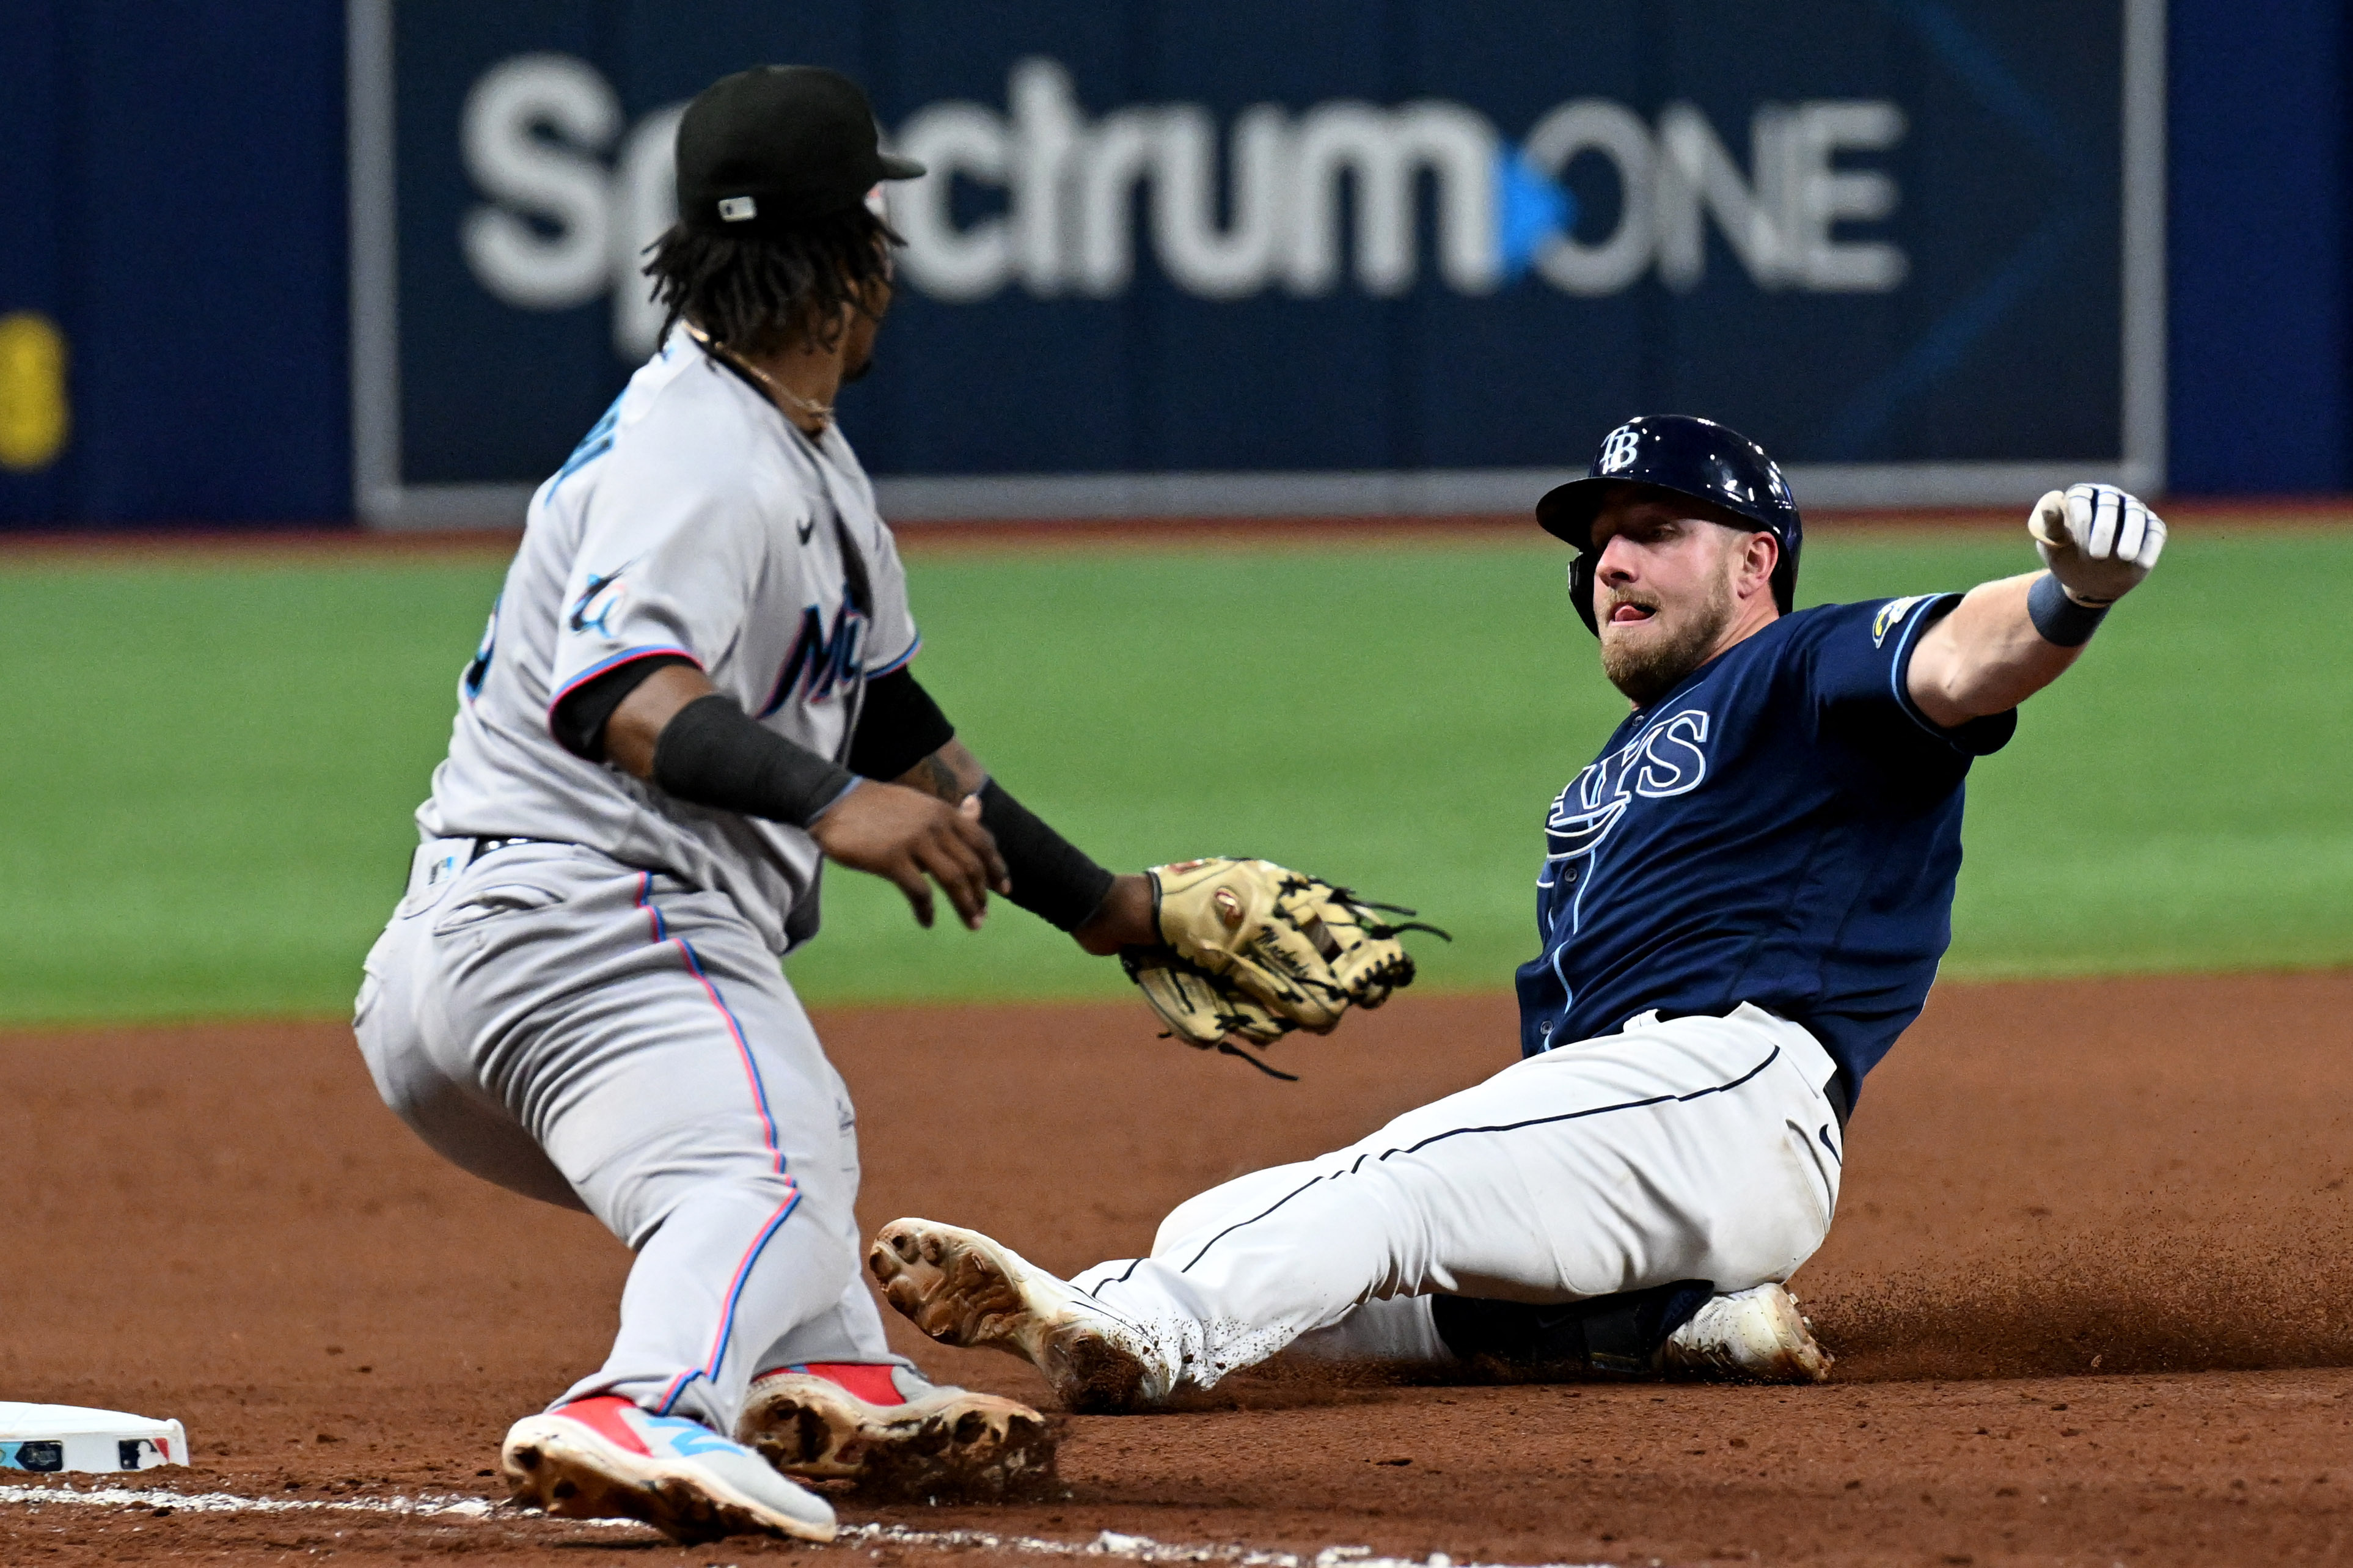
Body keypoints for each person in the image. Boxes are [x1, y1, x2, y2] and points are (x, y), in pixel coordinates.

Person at [350, 65, 1281, 1544]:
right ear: (848, 270)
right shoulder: (702, 460)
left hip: (470, 964)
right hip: (587, 923)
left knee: (790, 1146)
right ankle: (642, 1401)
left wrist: (1106, 906)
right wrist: (831, 802)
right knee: (767, 1163)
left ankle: (829, 1376)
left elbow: (901, 727)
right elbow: (620, 699)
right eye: (877, 230)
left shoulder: (787, 446)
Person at [866, 415, 2169, 1411]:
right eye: (1601, 539)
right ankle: (1674, 1322)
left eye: (1657, 527)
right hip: (1634, 1122)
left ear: (1754, 559)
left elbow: (1959, 656)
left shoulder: (1806, 663)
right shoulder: (1613, 767)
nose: (1611, 558)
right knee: (1290, 1269)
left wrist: (2070, 595)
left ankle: (1133, 1330)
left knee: (1380, 1192)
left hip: (1723, 1085)